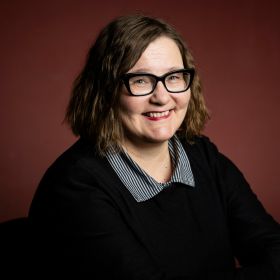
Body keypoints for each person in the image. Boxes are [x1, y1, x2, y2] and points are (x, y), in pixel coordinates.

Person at [28, 14, 280, 279]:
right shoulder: (75, 187)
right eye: (140, 80)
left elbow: (273, 248)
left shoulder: (203, 157)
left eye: (174, 77)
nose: (162, 97)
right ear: (105, 91)